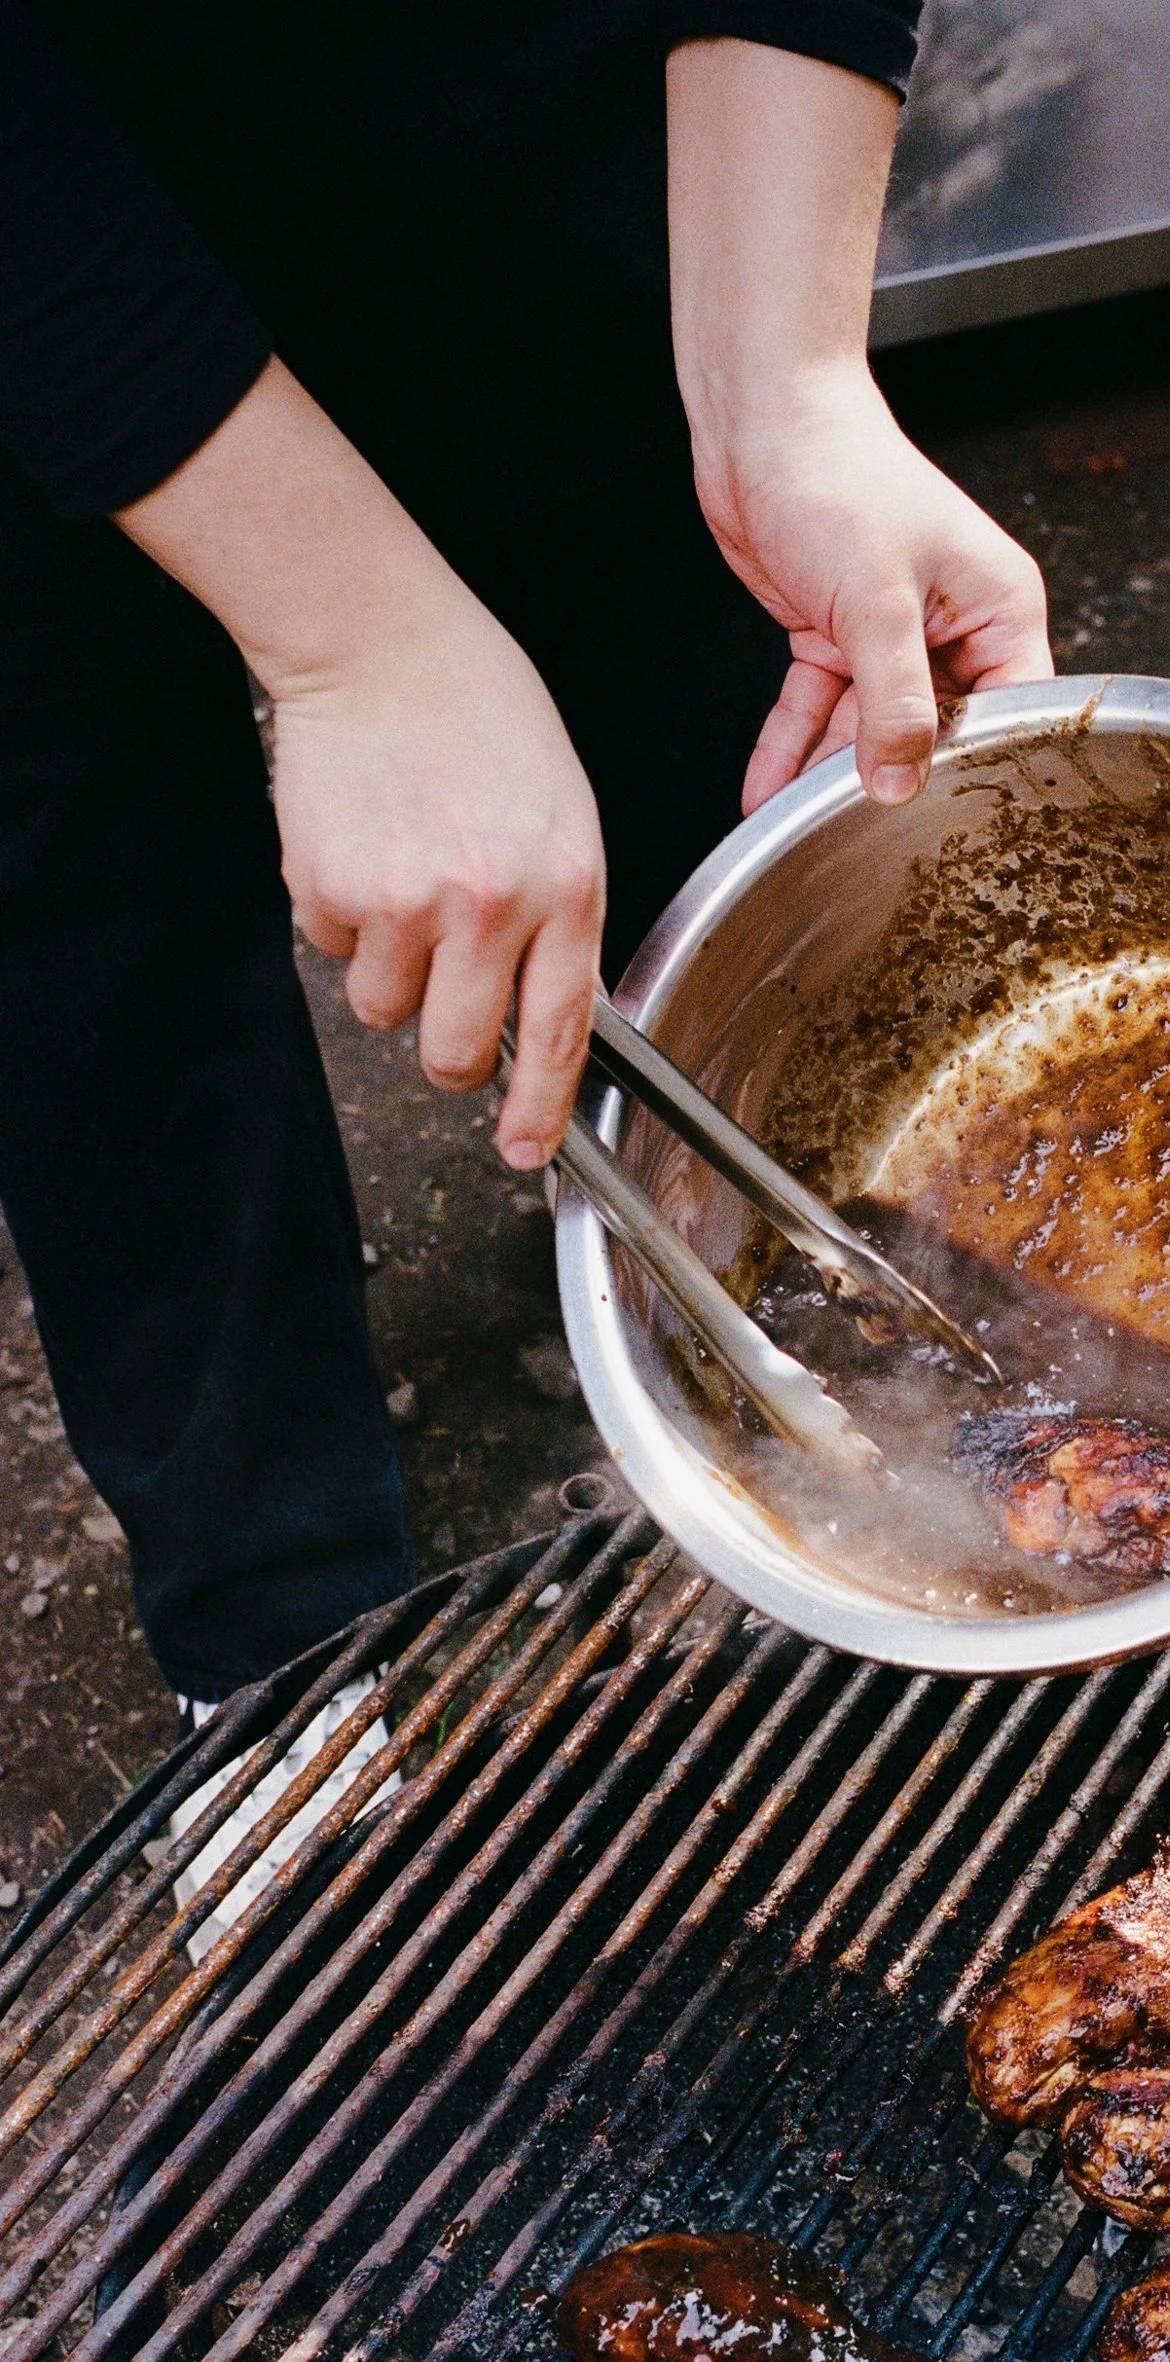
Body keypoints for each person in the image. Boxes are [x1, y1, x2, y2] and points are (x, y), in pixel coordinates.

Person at [0, 0, 1052, 1764]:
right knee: (91, 915)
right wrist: (348, 635)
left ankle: (861, 1387)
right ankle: (273, 1621)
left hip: (519, 112)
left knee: (701, 733)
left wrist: (778, 388)